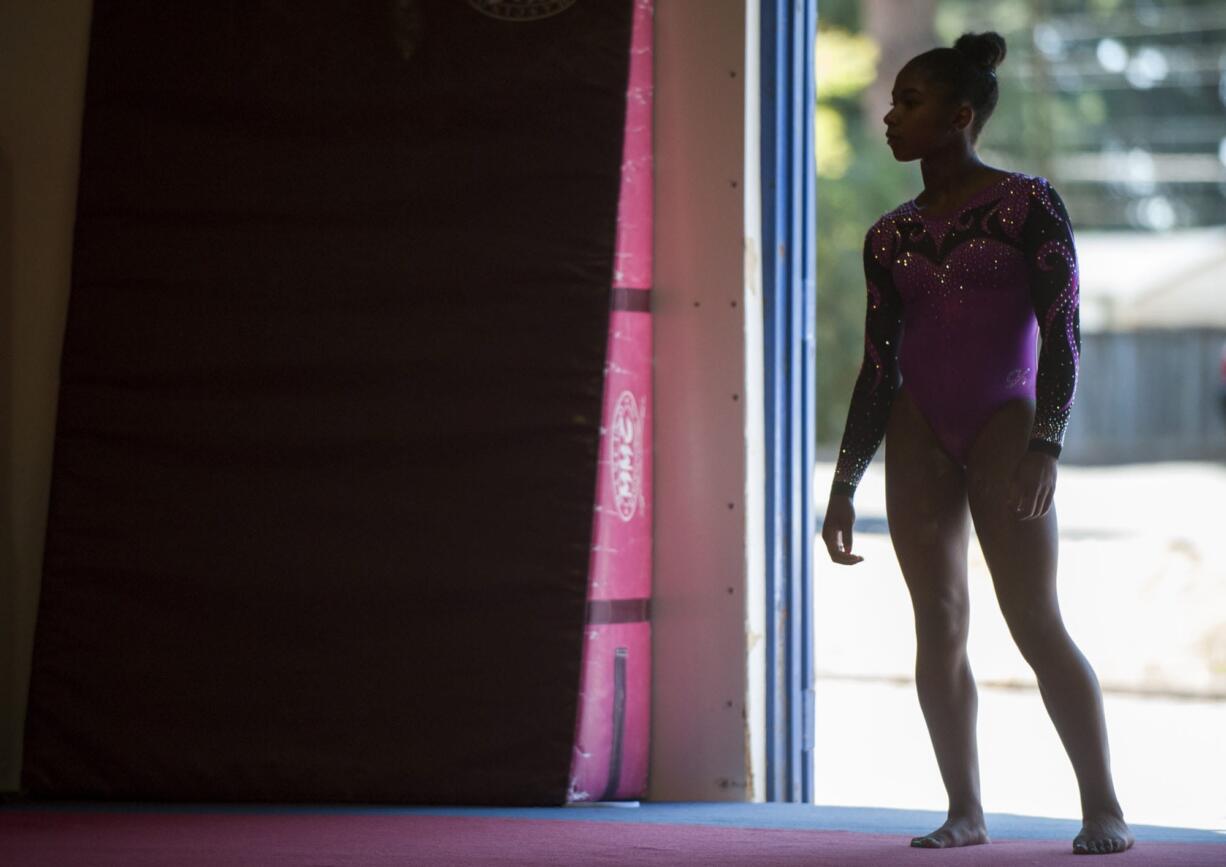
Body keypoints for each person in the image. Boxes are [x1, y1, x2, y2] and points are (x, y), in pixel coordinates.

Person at [820, 31, 1133, 856]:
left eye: (908, 103)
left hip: (1004, 419)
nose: (888, 117)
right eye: (892, 101)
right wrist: (846, 481)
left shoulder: (1028, 205)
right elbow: (879, 364)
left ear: (961, 116)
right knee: (940, 621)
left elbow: (1062, 332)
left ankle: (1104, 806)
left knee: (1034, 617)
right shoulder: (889, 236)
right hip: (919, 423)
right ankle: (964, 810)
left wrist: (1046, 442)